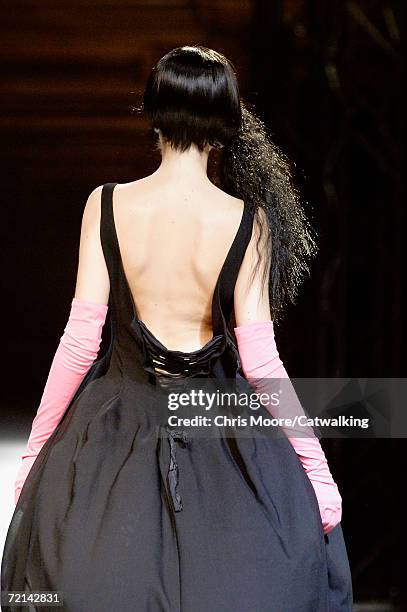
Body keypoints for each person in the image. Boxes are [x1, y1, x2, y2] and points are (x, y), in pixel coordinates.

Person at [1, 45, 353, 611]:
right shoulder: (248, 222)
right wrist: (317, 469)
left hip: (112, 431)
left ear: (153, 113)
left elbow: (79, 342)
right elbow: (262, 363)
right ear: (226, 125)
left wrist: (36, 454)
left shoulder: (107, 205)